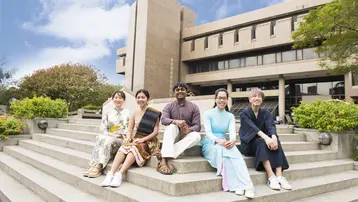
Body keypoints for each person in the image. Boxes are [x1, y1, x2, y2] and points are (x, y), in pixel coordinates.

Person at [201, 88, 255, 198]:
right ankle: (236, 186)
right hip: (210, 142)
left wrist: (232, 141)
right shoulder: (208, 114)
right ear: (215, 99)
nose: (222, 100)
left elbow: (232, 132)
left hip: (225, 142)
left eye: (224, 98)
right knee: (224, 155)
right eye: (219, 98)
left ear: (227, 100)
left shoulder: (230, 116)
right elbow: (208, 132)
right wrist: (219, 141)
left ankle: (248, 186)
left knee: (236, 154)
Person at [101, 89, 161, 187]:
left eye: (143, 97)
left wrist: (143, 139)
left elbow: (156, 132)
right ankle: (110, 174)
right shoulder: (134, 113)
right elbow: (129, 129)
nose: (140, 99)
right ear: (136, 99)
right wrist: (128, 137)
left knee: (133, 148)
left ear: (147, 99)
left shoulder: (153, 113)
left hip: (149, 140)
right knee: (123, 148)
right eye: (138, 97)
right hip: (136, 138)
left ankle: (119, 174)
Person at [239, 88, 292, 191]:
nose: (256, 98)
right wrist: (266, 138)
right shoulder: (244, 114)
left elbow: (271, 126)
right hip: (249, 144)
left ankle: (279, 176)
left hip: (263, 141)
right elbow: (252, 128)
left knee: (276, 140)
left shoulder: (267, 113)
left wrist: (273, 137)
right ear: (250, 99)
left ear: (262, 100)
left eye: (259, 97)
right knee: (262, 141)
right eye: (254, 96)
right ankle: (271, 176)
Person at [157, 82, 201, 175]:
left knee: (197, 136)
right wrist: (176, 122)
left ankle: (164, 155)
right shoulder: (169, 106)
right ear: (174, 92)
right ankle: (164, 161)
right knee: (172, 126)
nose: (180, 91)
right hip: (174, 136)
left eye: (182, 89)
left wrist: (189, 130)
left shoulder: (194, 107)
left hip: (186, 137)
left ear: (186, 91)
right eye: (177, 90)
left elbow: (197, 126)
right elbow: (163, 120)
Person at [84, 91, 130, 178]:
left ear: (123, 100)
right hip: (110, 136)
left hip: (121, 139)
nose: (118, 100)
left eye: (120, 98)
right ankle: (94, 164)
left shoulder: (127, 113)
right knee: (101, 137)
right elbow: (103, 128)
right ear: (113, 99)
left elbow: (128, 129)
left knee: (107, 139)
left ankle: (99, 166)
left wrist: (118, 134)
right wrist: (111, 134)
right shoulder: (108, 113)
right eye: (116, 97)